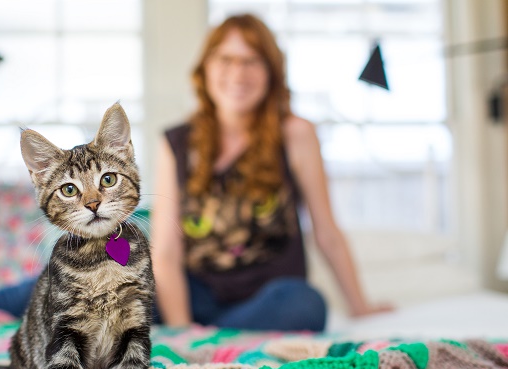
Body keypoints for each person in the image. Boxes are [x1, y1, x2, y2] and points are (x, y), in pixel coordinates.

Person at [149, 14, 392, 332]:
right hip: (197, 298)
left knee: (306, 303)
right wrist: (182, 333)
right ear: (206, 68)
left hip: (268, 299)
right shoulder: (176, 142)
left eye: (253, 61)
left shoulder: (296, 134)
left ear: (271, 72)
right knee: (119, 282)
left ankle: (218, 337)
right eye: (226, 59)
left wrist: (361, 308)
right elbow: (165, 251)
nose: (238, 73)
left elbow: (327, 233)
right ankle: (213, 338)